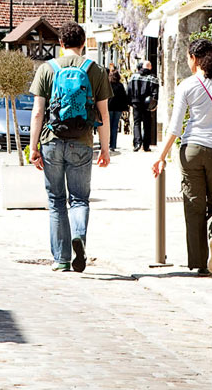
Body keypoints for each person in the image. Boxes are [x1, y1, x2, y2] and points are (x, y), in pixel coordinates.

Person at [153, 39, 212, 276]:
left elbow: (174, 127)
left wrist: (161, 156)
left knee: (193, 206)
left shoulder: (187, 85)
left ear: (194, 58)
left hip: (191, 151)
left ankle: (199, 263)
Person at [29, 23, 111, 272]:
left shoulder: (47, 69)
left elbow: (38, 112)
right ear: (83, 43)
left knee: (56, 200)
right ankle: (79, 236)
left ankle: (61, 259)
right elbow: (104, 115)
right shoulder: (95, 70)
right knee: (79, 199)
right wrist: (105, 149)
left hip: (52, 141)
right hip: (83, 141)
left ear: (61, 44)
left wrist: (33, 147)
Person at [127, 60, 159, 151]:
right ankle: (146, 145)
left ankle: (137, 144)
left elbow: (129, 90)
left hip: (136, 102)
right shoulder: (153, 78)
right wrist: (154, 105)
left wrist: (130, 102)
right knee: (147, 124)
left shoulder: (134, 77)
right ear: (151, 67)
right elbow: (155, 94)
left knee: (136, 123)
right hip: (147, 104)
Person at [107, 67, 128, 154]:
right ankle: (113, 145)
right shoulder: (120, 86)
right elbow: (124, 97)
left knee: (108, 126)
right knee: (115, 126)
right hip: (118, 108)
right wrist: (124, 108)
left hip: (109, 107)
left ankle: (106, 143)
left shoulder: (108, 85)